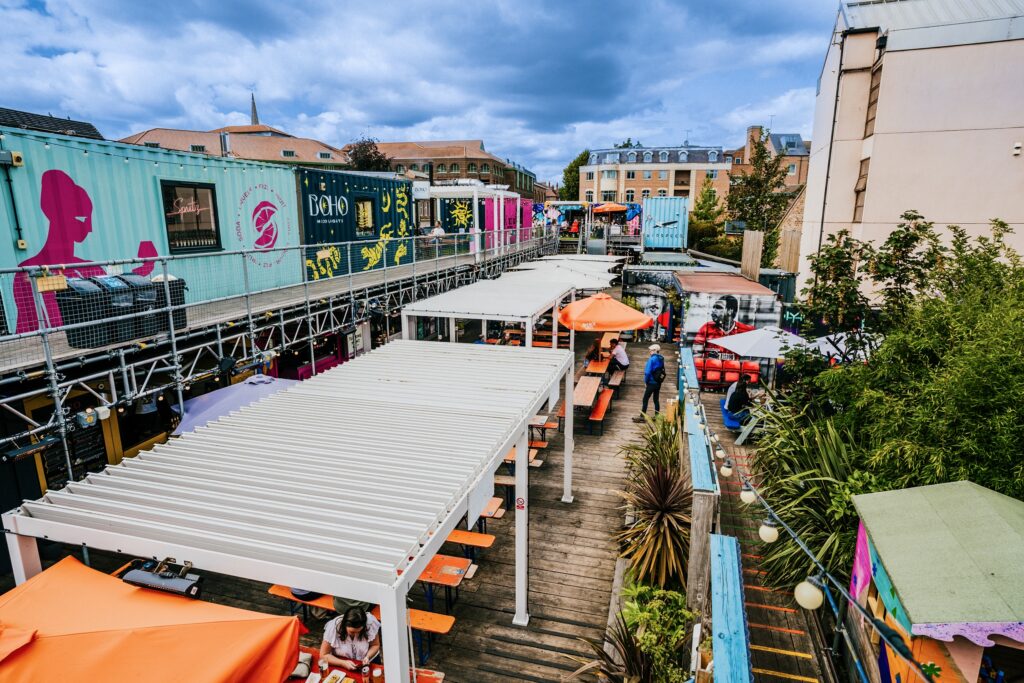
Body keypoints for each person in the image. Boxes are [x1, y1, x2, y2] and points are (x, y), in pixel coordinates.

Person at [320, 606, 382, 671]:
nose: (356, 635)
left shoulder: (370, 623)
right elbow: (323, 655)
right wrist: (342, 663)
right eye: (352, 632)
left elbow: (375, 645)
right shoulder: (333, 627)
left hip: (370, 661)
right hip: (341, 663)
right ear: (344, 624)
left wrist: (367, 656)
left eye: (359, 631)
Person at [634, 344, 666, 422]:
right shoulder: (661, 358)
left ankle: (642, 417)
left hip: (651, 382)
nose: (649, 351)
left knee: (645, 399)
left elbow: (647, 372)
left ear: (655, 350)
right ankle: (657, 416)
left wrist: (646, 381)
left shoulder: (651, 359)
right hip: (658, 382)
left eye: (651, 350)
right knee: (656, 399)